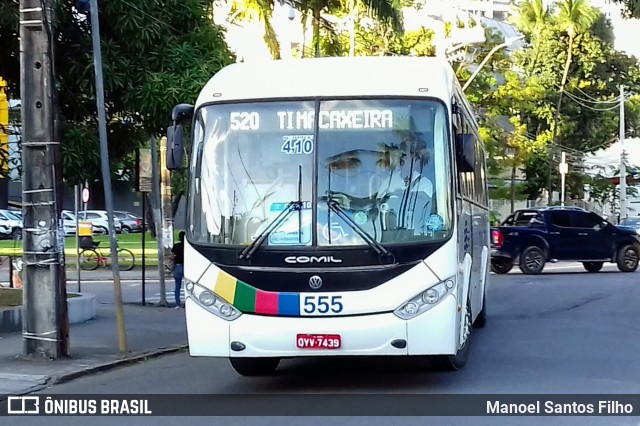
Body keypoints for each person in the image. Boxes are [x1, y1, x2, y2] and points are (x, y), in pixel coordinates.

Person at [171, 231, 185, 308]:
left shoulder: (176, 246)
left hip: (178, 266)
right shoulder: (188, 246)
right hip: (187, 267)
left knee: (177, 286)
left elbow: (172, 257)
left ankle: (177, 303)